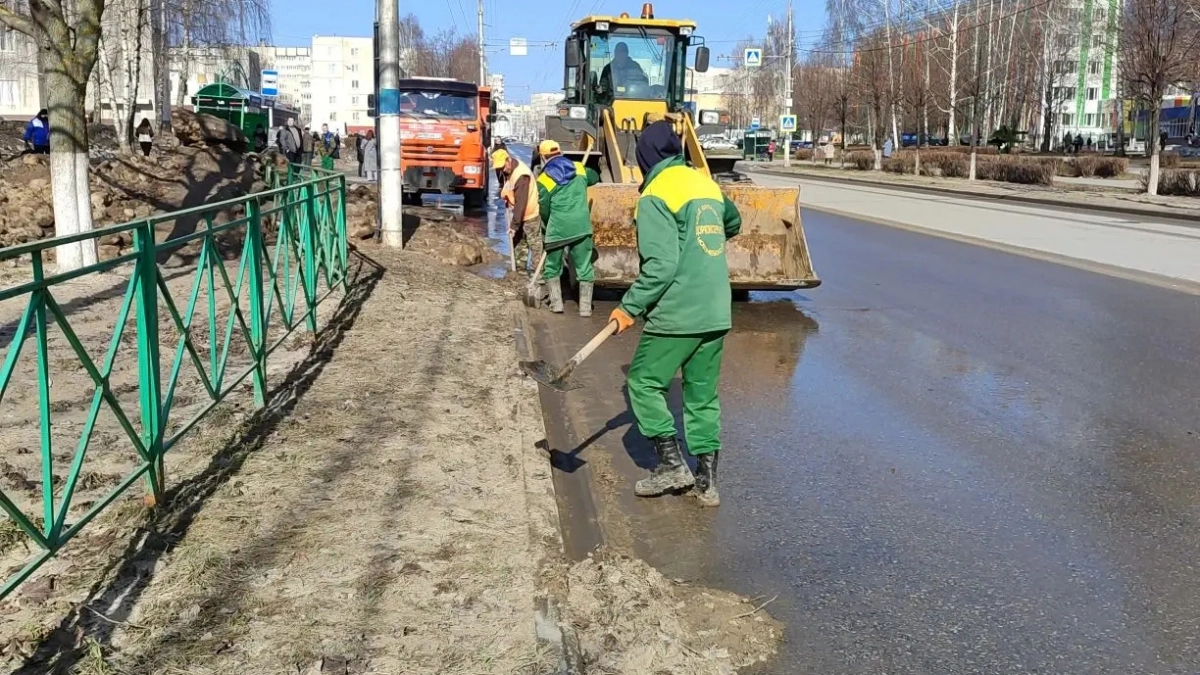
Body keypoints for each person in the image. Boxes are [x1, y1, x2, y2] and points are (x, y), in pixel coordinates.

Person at [608, 120, 741, 508]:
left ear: (645, 157)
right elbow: (732, 222)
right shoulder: (705, 184)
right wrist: (704, 250)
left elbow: (661, 266)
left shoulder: (656, 194)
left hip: (679, 311)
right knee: (702, 396)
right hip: (716, 309)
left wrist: (628, 307)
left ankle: (671, 466)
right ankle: (707, 482)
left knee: (643, 383)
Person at [536, 140, 599, 316]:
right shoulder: (578, 168)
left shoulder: (543, 180)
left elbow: (544, 209)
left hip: (558, 229)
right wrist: (584, 177)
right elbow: (594, 177)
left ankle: (556, 304)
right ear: (560, 153)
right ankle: (585, 308)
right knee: (584, 267)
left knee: (552, 267)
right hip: (581, 227)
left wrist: (549, 227)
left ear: (543, 157)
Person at [492, 148, 543, 282]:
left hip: (530, 214)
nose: (502, 170)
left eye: (503, 167)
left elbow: (521, 202)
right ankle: (519, 274)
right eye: (499, 168)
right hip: (519, 214)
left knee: (535, 245)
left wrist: (514, 225)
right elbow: (508, 187)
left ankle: (537, 276)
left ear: (508, 160)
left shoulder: (522, 175)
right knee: (519, 244)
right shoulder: (508, 170)